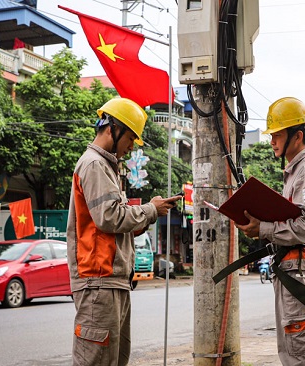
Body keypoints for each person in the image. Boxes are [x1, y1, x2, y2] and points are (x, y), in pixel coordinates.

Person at [66, 97, 181, 366]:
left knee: (116, 359)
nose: (131, 147)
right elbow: (109, 217)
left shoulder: (106, 166)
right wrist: (150, 210)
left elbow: (111, 225)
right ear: (112, 129)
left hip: (112, 281)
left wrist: (148, 216)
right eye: (130, 138)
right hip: (98, 280)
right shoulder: (94, 164)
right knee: (97, 360)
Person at [236, 97, 305, 365]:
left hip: (300, 272)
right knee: (292, 350)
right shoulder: (295, 172)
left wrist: (263, 228)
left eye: (277, 135)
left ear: (297, 136)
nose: (272, 142)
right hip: (293, 270)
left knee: (301, 350)